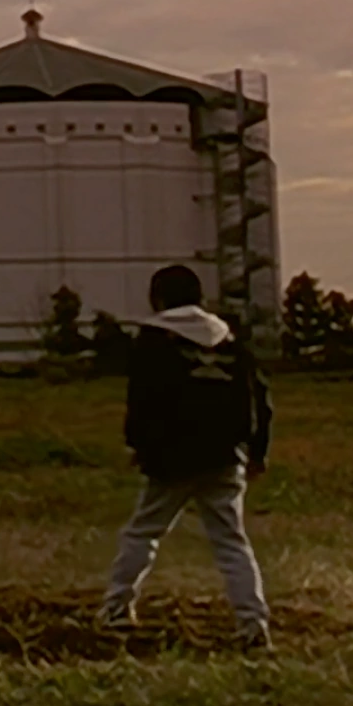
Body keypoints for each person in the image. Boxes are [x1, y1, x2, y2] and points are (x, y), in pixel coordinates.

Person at [101, 264, 274, 650]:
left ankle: (117, 608)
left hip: (172, 459)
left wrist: (138, 445)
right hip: (225, 456)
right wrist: (257, 450)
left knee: (143, 533)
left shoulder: (154, 339)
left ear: (158, 298)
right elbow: (259, 398)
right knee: (231, 542)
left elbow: (143, 399)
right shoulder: (229, 340)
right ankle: (253, 622)